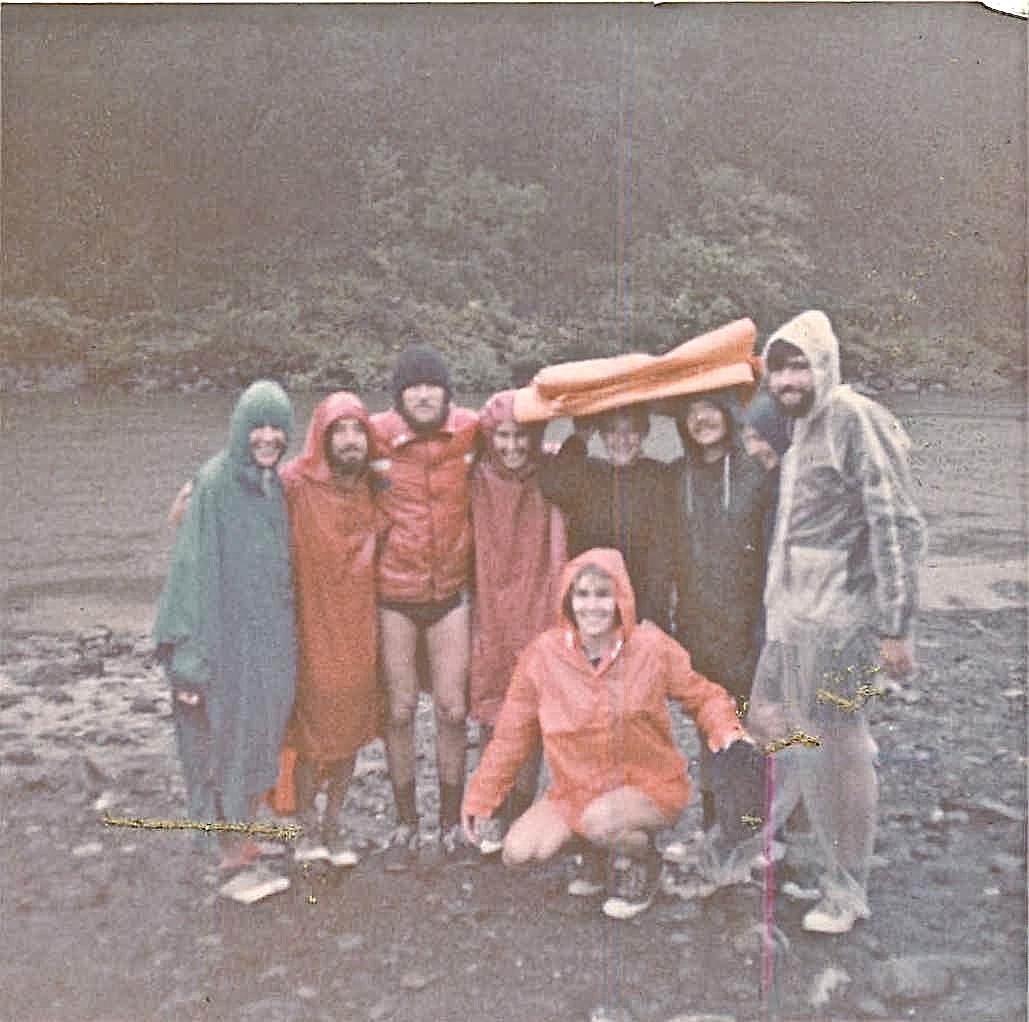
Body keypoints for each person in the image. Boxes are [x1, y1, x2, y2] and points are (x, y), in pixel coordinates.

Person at [747, 310, 926, 934]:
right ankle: (818, 864)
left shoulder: (852, 418)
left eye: (799, 365)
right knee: (785, 732)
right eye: (779, 368)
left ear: (824, 365)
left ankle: (847, 889)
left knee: (840, 750)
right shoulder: (802, 432)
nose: (788, 379)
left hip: (845, 622)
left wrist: (895, 625)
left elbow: (896, 521)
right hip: (797, 621)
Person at [461, 548, 751, 920]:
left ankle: (643, 863)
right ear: (568, 599)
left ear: (621, 599)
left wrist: (727, 731)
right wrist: (481, 796)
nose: (592, 606)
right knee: (519, 851)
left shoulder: (651, 646)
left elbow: (704, 694)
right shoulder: (542, 656)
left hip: (647, 786)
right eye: (582, 594)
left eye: (603, 594)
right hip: (576, 790)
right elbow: (510, 737)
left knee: (601, 821)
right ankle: (599, 855)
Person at [153, 380, 297, 903]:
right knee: (217, 746)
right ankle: (230, 857)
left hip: (265, 643)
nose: (267, 436)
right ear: (240, 428)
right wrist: (187, 663)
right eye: (256, 425)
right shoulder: (213, 483)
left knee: (257, 740)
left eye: (277, 427)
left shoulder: (273, 484)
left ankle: (244, 839)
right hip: (220, 643)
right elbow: (189, 573)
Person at [369, 345, 479, 870]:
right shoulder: (376, 434)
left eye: (432, 384)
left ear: (446, 391)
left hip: (449, 594)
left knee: (454, 711)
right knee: (398, 710)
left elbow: (519, 429)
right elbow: (321, 457)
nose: (423, 393)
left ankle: (451, 825)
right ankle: (405, 824)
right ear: (399, 395)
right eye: (412, 385)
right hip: (394, 595)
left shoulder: (469, 431)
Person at [275, 391, 383, 867]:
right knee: (308, 727)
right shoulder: (294, 483)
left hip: (359, 621)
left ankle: (334, 820)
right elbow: (245, 489)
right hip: (309, 619)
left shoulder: (374, 486)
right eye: (339, 430)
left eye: (358, 429)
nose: (350, 440)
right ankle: (303, 822)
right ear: (321, 435)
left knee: (352, 722)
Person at [669, 389, 776, 833]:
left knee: (755, 730)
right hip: (698, 625)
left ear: (729, 414)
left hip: (749, 624)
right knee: (708, 729)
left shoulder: (756, 471)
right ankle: (714, 823)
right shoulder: (678, 476)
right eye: (690, 413)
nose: (701, 420)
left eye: (709, 408)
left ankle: (764, 831)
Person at [468, 390, 567, 852]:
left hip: (537, 598)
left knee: (534, 699)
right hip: (490, 601)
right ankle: (492, 800)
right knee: (492, 698)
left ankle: (523, 801)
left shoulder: (551, 475)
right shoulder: (474, 478)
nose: (512, 447)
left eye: (521, 437)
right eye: (503, 437)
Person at [538, 404, 674, 628]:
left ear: (644, 433)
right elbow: (553, 483)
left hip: (643, 610)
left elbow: (663, 556)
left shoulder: (660, 477)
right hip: (592, 608)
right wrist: (580, 436)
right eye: (612, 431)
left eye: (631, 430)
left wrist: (653, 616)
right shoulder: (588, 474)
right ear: (600, 434)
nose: (622, 440)